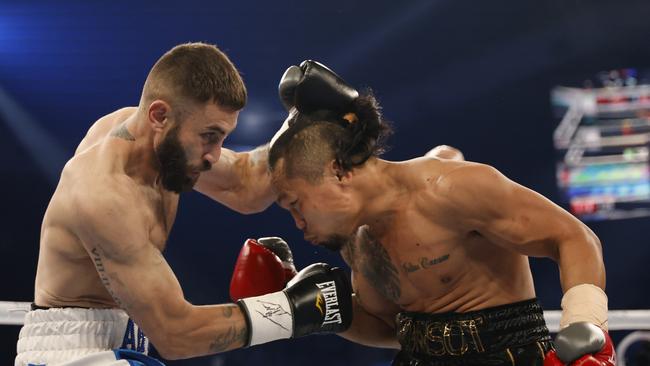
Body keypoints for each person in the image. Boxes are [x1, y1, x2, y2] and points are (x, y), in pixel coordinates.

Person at [15, 43, 352, 366]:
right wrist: (292, 312)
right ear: (159, 115)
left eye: (222, 137)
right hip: (71, 355)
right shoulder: (104, 195)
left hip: (128, 342)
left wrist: (306, 119)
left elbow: (246, 185)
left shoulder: (160, 146)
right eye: (209, 136)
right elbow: (175, 335)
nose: (215, 155)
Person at [264, 61, 615, 365]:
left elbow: (573, 237)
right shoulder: (356, 237)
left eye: (296, 204)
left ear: (337, 172)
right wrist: (321, 311)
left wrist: (585, 323)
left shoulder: (450, 189)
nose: (298, 223)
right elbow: (389, 329)